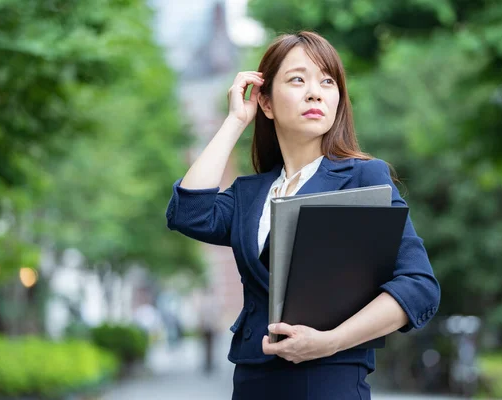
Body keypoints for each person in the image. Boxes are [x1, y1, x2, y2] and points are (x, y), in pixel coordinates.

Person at [166, 31, 440, 400]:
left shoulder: (362, 177)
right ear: (266, 102)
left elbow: (419, 286)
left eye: (327, 81)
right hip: (253, 383)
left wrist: (330, 341)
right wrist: (234, 121)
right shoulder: (251, 193)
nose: (315, 92)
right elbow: (189, 212)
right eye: (298, 79)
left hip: (327, 379)